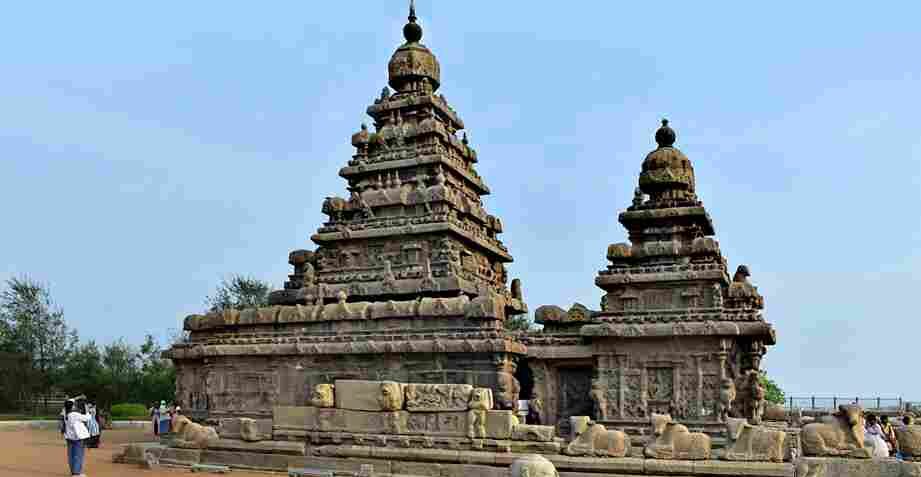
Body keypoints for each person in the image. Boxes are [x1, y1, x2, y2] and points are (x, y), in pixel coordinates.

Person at [63, 398, 91, 476]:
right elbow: (87, 418)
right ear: (72, 407)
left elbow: (69, 401)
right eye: (74, 405)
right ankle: (76, 473)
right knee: (78, 455)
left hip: (69, 437)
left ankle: (73, 472)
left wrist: (78, 397)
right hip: (77, 438)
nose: (75, 406)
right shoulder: (74, 414)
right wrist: (87, 411)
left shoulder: (66, 413)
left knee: (71, 455)